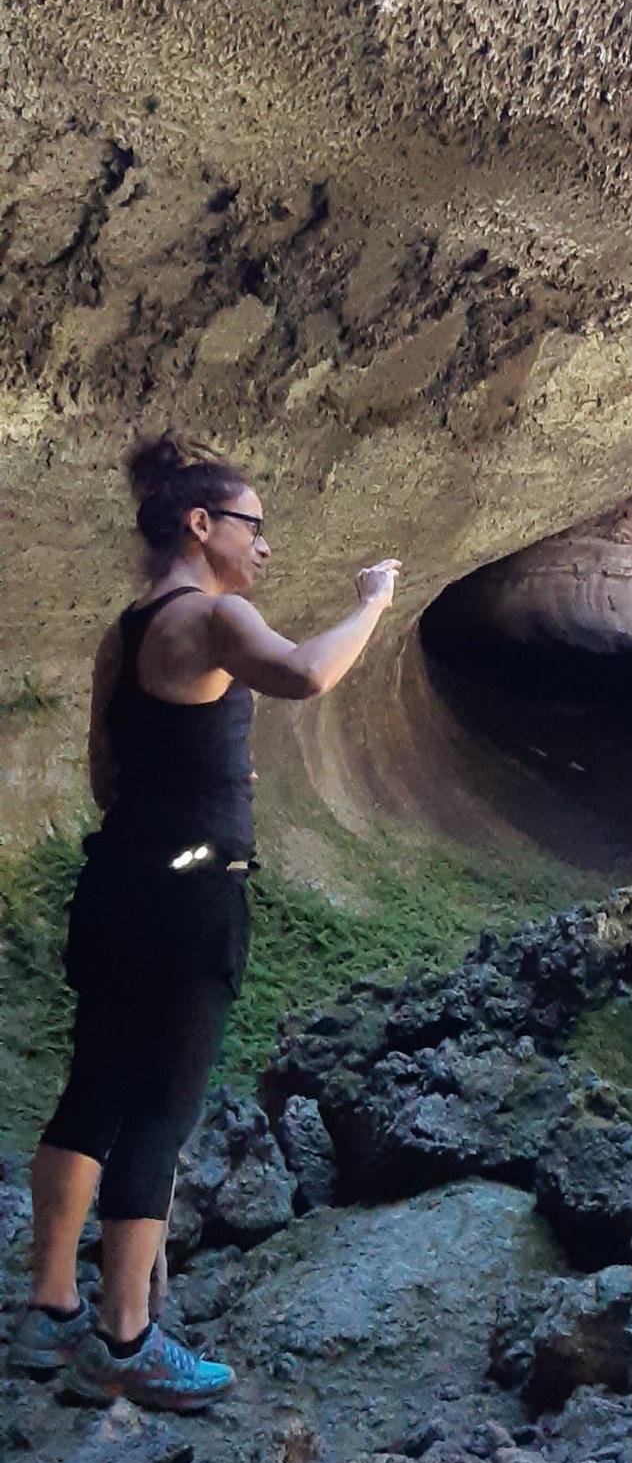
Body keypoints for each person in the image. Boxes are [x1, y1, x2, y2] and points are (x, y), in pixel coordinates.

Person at [10, 436, 400, 1412]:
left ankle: (46, 1308)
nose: (263, 546)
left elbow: (106, 772)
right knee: (162, 1111)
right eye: (252, 525)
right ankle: (124, 1339)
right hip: (188, 902)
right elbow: (307, 676)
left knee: (92, 1087)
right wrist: (372, 603)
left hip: (117, 883)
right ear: (202, 525)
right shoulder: (219, 615)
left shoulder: (126, 627)